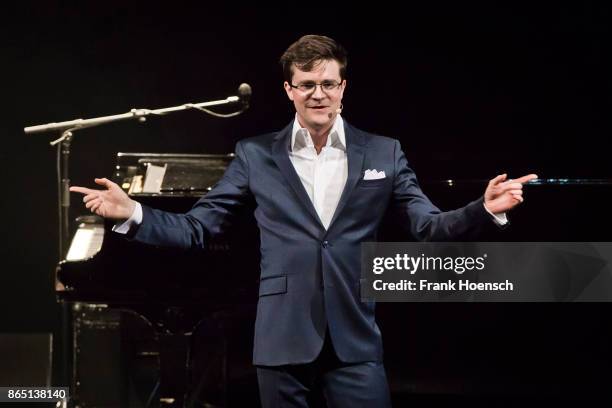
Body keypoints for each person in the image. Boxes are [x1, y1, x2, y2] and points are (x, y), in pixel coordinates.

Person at [71, 35, 537, 407]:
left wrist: (483, 209)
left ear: (343, 87)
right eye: (307, 84)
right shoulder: (256, 154)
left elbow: (428, 227)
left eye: (329, 83)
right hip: (282, 336)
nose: (319, 94)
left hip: (354, 339)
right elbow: (199, 228)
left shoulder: (383, 152)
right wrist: (132, 213)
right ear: (289, 90)